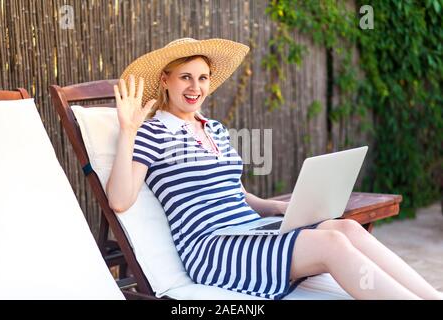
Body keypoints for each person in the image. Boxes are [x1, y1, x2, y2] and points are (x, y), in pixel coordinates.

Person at [106, 38, 441, 300]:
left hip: (251, 229)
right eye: (185, 77)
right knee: (331, 247)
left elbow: (238, 194)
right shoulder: (152, 132)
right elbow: (120, 200)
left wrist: (286, 209)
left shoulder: (215, 129)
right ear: (165, 80)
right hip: (212, 248)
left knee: (347, 230)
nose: (196, 87)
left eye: (203, 77)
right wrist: (128, 130)